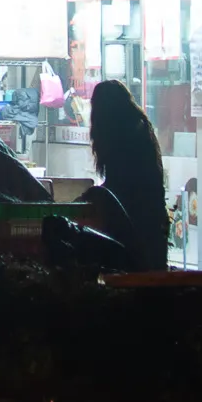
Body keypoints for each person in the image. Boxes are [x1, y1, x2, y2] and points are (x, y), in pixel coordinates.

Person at [43, 80, 168, 273]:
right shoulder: (138, 127)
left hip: (136, 227)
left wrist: (85, 200)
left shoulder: (123, 135)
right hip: (151, 225)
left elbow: (118, 189)